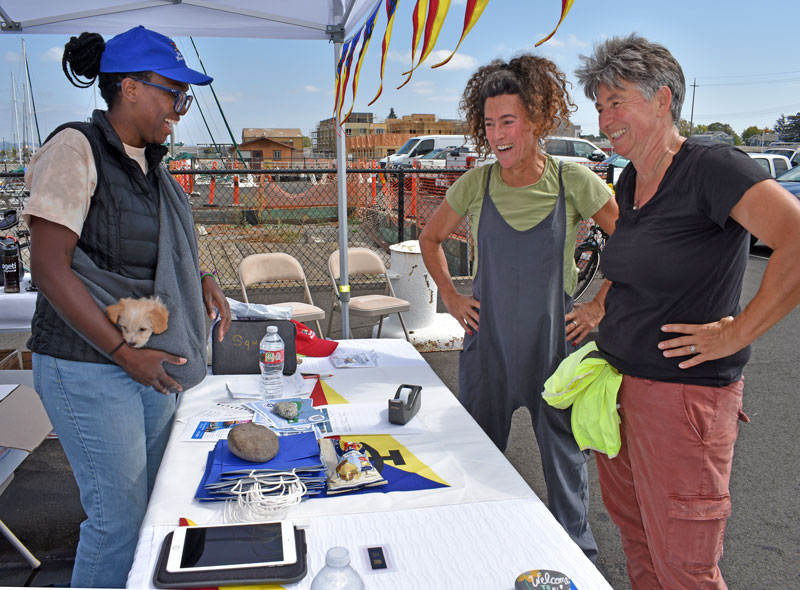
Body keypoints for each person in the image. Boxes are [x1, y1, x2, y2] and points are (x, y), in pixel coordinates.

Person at [575, 34, 800, 588]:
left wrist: (737, 333)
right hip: (619, 388)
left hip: (682, 401)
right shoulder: (629, 179)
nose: (605, 118)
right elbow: (630, 267)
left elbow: (795, 237)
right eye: (600, 105)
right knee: (640, 543)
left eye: (617, 101)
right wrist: (602, 306)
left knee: (685, 565)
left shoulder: (711, 167)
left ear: (663, 98)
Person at [22, 26, 231, 588]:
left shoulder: (149, 164)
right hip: (89, 364)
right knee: (118, 521)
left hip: (145, 360)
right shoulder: (75, 148)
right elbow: (49, 268)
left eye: (185, 97)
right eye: (174, 93)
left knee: (157, 503)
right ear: (131, 88)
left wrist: (202, 277)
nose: (180, 109)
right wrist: (121, 352)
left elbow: (153, 251)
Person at [419, 54, 618, 560]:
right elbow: (431, 239)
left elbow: (631, 240)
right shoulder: (476, 183)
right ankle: (472, 552)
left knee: (564, 459)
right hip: (489, 348)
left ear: (535, 120)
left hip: (555, 346)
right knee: (477, 459)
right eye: (489, 124)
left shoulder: (573, 180)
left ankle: (575, 558)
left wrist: (597, 304)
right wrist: (451, 295)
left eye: (508, 120)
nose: (497, 134)